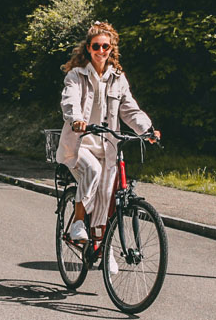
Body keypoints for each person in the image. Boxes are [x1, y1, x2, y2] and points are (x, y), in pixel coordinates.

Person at [55, 21, 160, 266]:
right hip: (80, 144)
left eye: (106, 46)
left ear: (112, 48)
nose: (101, 51)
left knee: (105, 195)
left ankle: (102, 249)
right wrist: (77, 119)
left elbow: (130, 109)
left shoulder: (117, 78)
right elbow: (69, 101)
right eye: (96, 46)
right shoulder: (76, 75)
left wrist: (147, 129)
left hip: (108, 146)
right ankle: (79, 223)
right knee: (92, 171)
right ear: (88, 49)